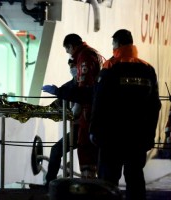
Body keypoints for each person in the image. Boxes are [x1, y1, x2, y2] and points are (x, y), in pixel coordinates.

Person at [89, 29, 161, 200]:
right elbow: (154, 106)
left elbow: (99, 103)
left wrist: (94, 130)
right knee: (135, 178)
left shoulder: (110, 67)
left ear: (117, 44)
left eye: (113, 43)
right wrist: (150, 135)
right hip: (138, 137)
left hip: (111, 137)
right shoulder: (147, 69)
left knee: (108, 181)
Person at [42, 33, 103, 183]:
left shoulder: (84, 57)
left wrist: (58, 92)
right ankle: (92, 185)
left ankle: (51, 184)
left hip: (86, 120)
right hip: (87, 119)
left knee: (59, 150)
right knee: (89, 157)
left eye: (68, 50)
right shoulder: (90, 55)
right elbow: (74, 85)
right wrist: (58, 97)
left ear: (71, 46)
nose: (68, 54)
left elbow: (83, 91)